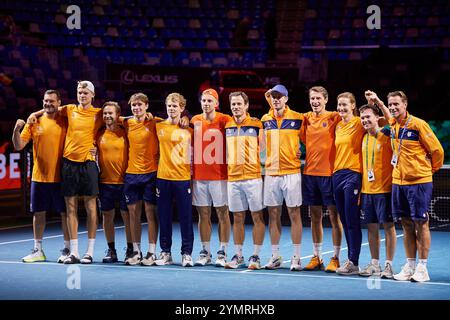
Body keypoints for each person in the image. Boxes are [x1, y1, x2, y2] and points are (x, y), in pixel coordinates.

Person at [28, 81, 102, 264]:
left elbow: (118, 121)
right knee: (70, 208)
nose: (82, 95)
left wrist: (98, 148)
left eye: (85, 92)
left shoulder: (99, 113)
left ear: (92, 95)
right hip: (68, 164)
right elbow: (49, 109)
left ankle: (89, 252)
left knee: (91, 207)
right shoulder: (68, 109)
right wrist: (33, 114)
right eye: (79, 92)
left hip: (88, 164)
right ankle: (74, 252)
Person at [387, 91, 444, 282]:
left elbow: (437, 150)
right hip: (398, 181)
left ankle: (422, 267)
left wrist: (428, 170)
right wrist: (378, 103)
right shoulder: (393, 125)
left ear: (405, 105)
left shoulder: (418, 124)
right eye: (391, 104)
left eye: (396, 104)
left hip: (419, 181)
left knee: (421, 223)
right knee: (405, 223)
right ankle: (410, 265)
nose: (393, 107)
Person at [12, 90, 70, 263]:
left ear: (59, 102)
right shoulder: (34, 122)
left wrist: (34, 112)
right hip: (39, 177)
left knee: (65, 214)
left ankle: (67, 249)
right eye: (45, 101)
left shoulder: (66, 119)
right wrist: (16, 129)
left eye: (52, 101)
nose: (48, 104)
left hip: (62, 176)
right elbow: (19, 145)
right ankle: (38, 250)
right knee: (38, 213)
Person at [261, 84, 303, 271]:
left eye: (279, 96)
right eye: (272, 96)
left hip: (292, 172)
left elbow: (309, 139)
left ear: (286, 98)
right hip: (271, 173)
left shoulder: (298, 118)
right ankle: (276, 256)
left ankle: (296, 257)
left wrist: (300, 152)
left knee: (294, 214)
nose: (276, 99)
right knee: (273, 215)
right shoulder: (265, 119)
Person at [301, 86, 343, 272]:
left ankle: (336, 257)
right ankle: (317, 256)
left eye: (318, 98)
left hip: (330, 175)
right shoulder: (305, 119)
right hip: (310, 174)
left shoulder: (334, 116)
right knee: (315, 217)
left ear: (326, 99)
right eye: (312, 98)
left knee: (335, 217)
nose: (315, 101)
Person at [224, 91, 266, 270]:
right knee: (238, 217)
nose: (236, 107)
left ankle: (255, 255)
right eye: (233, 104)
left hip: (253, 177)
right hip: (233, 178)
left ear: (246, 105)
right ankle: (239, 254)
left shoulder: (257, 124)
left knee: (257, 216)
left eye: (239, 103)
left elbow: (265, 149)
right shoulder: (226, 125)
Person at [358, 91, 397, 279]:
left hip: (385, 191)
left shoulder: (387, 134)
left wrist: (379, 103)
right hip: (367, 191)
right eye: (362, 117)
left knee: (389, 227)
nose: (365, 120)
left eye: (368, 117)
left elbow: (393, 123)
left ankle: (389, 266)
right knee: (371, 228)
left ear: (377, 118)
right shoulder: (363, 138)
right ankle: (375, 264)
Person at [191, 89, 232, 267]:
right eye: (203, 100)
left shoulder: (225, 120)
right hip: (199, 176)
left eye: (210, 100)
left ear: (216, 103)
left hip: (220, 176)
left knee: (223, 213)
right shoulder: (194, 120)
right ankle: (205, 251)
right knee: (203, 214)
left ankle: (222, 251)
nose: (206, 103)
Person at [154, 93, 195, 267]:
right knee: (164, 217)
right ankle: (165, 253)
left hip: (183, 178)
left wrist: (188, 118)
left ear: (182, 108)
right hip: (163, 178)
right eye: (169, 105)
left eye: (175, 106)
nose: (171, 108)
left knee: (185, 217)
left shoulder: (190, 128)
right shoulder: (158, 125)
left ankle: (186, 253)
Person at [121, 93, 160, 266]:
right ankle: (136, 251)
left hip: (151, 174)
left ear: (146, 106)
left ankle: (151, 252)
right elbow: (110, 115)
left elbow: (176, 120)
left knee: (151, 213)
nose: (136, 108)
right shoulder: (127, 122)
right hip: (131, 174)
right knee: (133, 215)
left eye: (139, 105)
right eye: (133, 105)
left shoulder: (155, 122)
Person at [333, 92, 366, 275]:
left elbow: (384, 123)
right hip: (337, 175)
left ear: (353, 105)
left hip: (353, 174)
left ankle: (354, 261)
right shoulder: (338, 126)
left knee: (352, 220)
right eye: (339, 105)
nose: (341, 108)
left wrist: (374, 103)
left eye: (345, 105)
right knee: (344, 220)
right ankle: (351, 261)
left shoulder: (360, 122)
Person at [97, 101, 132, 263]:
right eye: (105, 113)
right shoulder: (99, 134)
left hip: (125, 182)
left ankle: (131, 249)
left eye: (111, 113)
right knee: (107, 216)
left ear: (118, 115)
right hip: (105, 183)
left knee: (127, 217)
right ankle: (111, 250)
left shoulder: (126, 132)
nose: (107, 116)